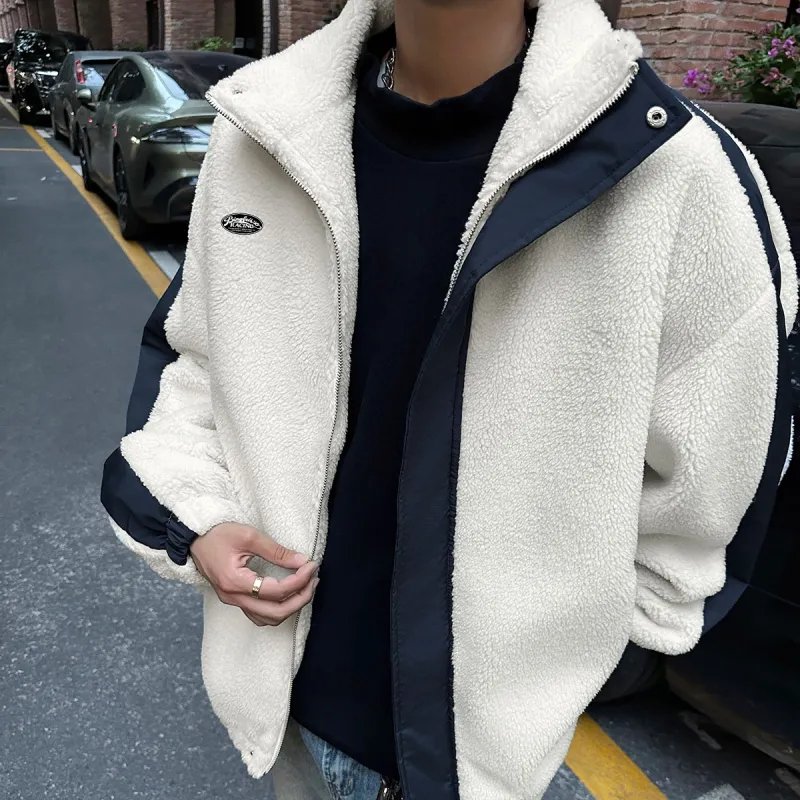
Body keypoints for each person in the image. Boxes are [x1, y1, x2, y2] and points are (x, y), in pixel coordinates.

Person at [101, 0, 798, 797]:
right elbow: (191, 368)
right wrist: (200, 520)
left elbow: (719, 486)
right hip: (282, 717)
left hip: (476, 765)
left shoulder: (676, 172)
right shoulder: (262, 133)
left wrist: (547, 668)